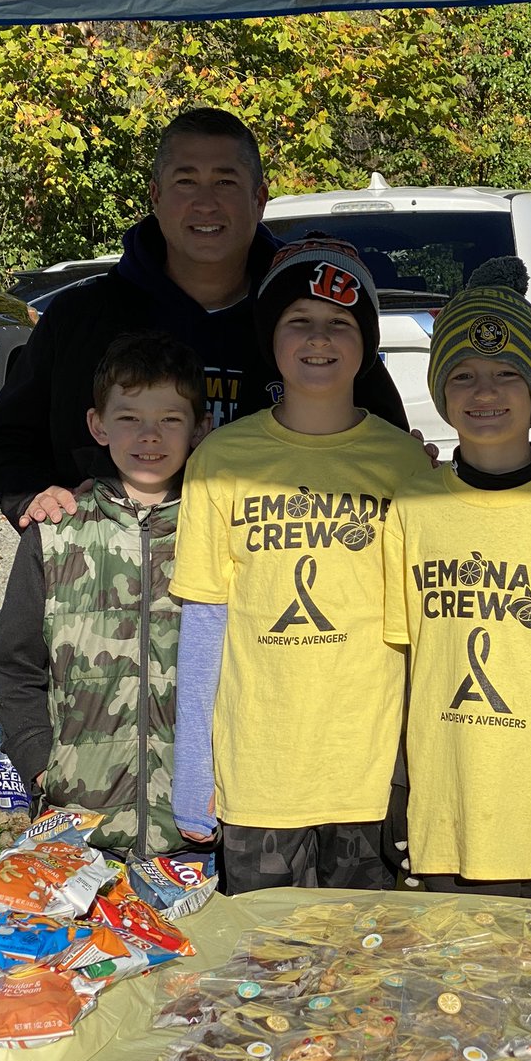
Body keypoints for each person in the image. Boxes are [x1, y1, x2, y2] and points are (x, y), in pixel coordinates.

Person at [0, 107, 407, 531]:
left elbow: (381, 436)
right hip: (114, 578)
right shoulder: (81, 317)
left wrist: (405, 464)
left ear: (259, 199)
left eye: (225, 181)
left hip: (270, 574)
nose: (205, 203)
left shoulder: (308, 322)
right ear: (156, 196)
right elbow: (5, 434)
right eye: (185, 181)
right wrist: (33, 493)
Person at [169, 235, 429, 894]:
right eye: (298, 322)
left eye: (340, 323)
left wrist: (420, 766)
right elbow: (205, 624)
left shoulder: (403, 464)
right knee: (263, 978)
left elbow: (420, 635)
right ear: (269, 336)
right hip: (260, 776)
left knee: (366, 980)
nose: (320, 339)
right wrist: (195, 771)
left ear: (366, 342)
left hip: (369, 778)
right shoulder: (222, 461)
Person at [382, 257, 531, 898]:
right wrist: (399, 784)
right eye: (463, 375)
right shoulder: (413, 505)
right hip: (445, 813)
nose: (484, 393)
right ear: (440, 391)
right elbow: (402, 660)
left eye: (507, 373)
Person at [0, 330, 210, 859]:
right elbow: (13, 664)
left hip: (196, 829)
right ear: (98, 425)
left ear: (200, 428)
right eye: (129, 417)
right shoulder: (56, 531)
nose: (149, 436)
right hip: (78, 826)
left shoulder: (220, 530)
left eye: (170, 420)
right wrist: (42, 764)